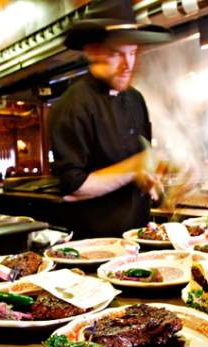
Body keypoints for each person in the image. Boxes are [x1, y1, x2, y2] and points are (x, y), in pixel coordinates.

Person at [48, 0, 172, 238]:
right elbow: (72, 188)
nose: (128, 65)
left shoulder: (136, 99)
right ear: (93, 51)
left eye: (133, 53)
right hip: (95, 246)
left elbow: (140, 163)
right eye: (117, 54)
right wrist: (135, 168)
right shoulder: (72, 105)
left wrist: (150, 179)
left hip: (139, 238)